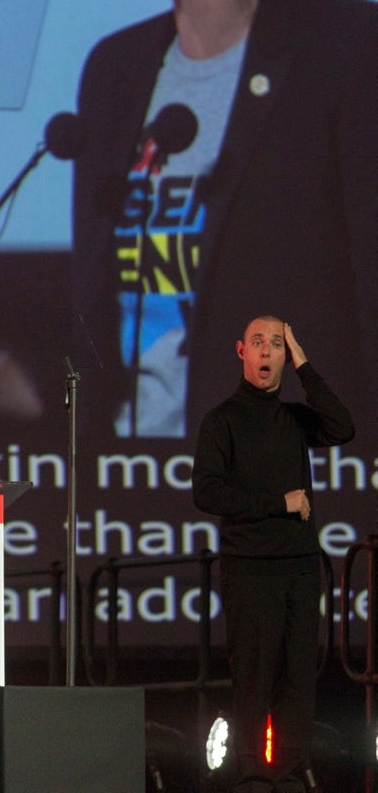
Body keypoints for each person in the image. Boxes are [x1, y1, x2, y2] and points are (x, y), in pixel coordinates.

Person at [72, 0, 378, 439]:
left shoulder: (348, 54)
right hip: (129, 512)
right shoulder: (114, 74)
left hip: (287, 508)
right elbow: (96, 345)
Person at [192, 316, 354, 792]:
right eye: (258, 343)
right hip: (251, 570)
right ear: (241, 351)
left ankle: (286, 776)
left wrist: (305, 362)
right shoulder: (222, 420)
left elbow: (343, 426)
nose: (266, 352)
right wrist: (276, 504)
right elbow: (206, 493)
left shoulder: (293, 418)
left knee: (298, 682)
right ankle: (254, 780)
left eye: (277, 345)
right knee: (255, 682)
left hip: (301, 569)